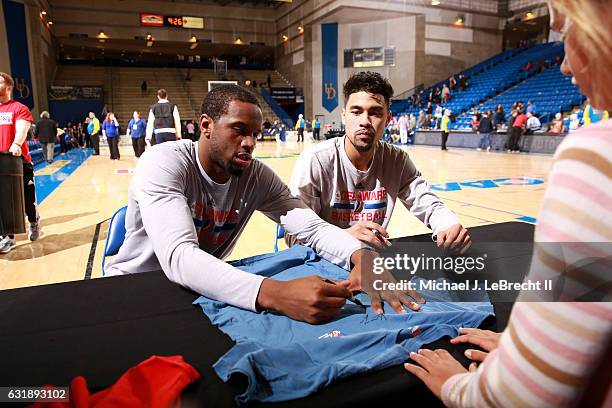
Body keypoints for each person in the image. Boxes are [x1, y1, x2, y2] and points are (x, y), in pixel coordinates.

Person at [403, 2, 612, 406]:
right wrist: (533, 347)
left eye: (565, 31)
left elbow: (525, 397)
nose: (564, 66)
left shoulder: (597, 158)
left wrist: (456, 386)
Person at [105, 84, 389, 323]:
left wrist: (360, 256)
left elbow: (311, 227)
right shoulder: (165, 162)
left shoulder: (255, 176)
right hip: (132, 292)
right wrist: (275, 293)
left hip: (199, 291)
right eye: (239, 130)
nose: (250, 143)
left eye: (255, 133)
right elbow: (179, 255)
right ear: (206, 125)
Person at [288, 70, 470, 272]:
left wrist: (447, 224)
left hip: (372, 265)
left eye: (375, 112)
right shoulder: (316, 160)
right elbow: (294, 236)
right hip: (322, 264)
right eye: (356, 111)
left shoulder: (397, 160)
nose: (365, 121)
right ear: (344, 115)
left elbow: (426, 201)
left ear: (388, 118)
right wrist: (342, 237)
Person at [0, 72, 41, 253]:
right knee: (4, 201)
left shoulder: (19, 108)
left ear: (8, 86)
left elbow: (22, 129)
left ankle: (33, 220)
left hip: (17, 161)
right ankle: (7, 237)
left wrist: (16, 143)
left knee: (26, 200)